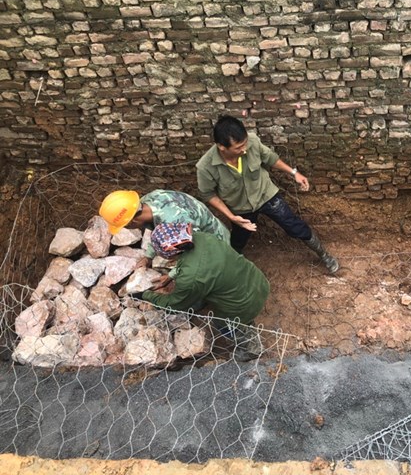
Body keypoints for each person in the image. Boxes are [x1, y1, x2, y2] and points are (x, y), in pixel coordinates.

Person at [196, 115, 340, 274]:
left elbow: (271, 158)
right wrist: (232, 217)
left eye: (245, 143)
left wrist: (294, 173)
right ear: (221, 147)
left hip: (265, 195)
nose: (244, 149)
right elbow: (208, 194)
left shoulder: (252, 141)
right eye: (238, 147)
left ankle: (323, 254)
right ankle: (232, 267)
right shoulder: (206, 167)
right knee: (238, 240)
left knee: (294, 225)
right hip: (240, 208)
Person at [138, 222, 270, 357]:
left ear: (167, 255)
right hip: (257, 281)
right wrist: (171, 275)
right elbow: (199, 265)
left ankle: (251, 350)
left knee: (225, 324)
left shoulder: (191, 277)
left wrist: (146, 295)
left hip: (243, 305)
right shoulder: (202, 237)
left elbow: (175, 304)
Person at [99, 189, 232, 260]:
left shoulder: (176, 222)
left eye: (125, 226)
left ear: (132, 222)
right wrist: (149, 256)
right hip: (207, 228)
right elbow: (159, 232)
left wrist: (172, 275)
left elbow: (195, 253)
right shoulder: (149, 199)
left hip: (216, 241)